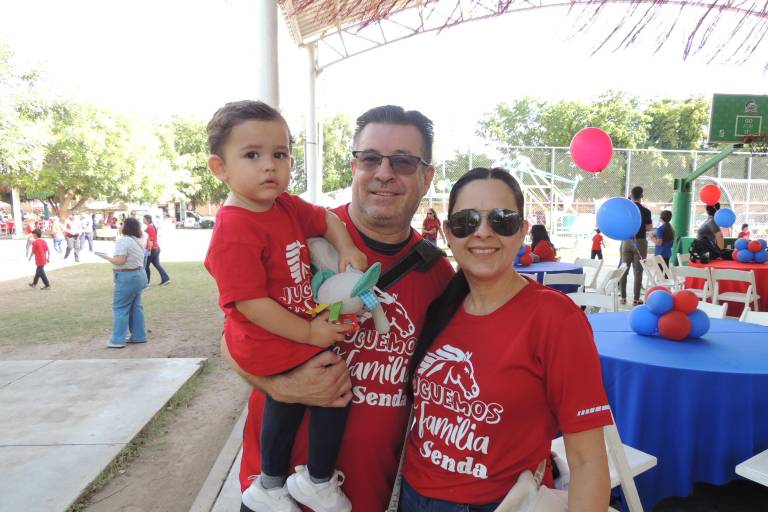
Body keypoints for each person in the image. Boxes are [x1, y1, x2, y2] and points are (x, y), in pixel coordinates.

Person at [221, 104, 455, 511]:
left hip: (361, 496)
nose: (384, 173)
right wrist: (279, 386)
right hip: (273, 495)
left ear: (426, 175)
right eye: (370, 159)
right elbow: (231, 338)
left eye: (402, 161)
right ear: (354, 166)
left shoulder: (438, 276)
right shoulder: (294, 235)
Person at [401, 168, 611, 511]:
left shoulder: (555, 319)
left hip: (501, 503)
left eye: (502, 220)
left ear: (522, 232)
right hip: (412, 496)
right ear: (448, 233)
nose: (483, 232)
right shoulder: (439, 305)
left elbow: (587, 461)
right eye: (467, 221)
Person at [204, 100, 369, 512]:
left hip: (292, 329)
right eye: (252, 155)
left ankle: (297, 480)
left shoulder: (285, 206)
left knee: (327, 392)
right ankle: (289, 482)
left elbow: (326, 220)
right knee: (320, 392)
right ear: (219, 168)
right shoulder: (234, 227)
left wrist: (346, 247)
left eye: (279, 154)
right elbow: (252, 304)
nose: (269, 166)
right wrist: (311, 334)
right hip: (268, 336)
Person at [96, 217, 148, 348]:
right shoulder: (139, 239)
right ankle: (139, 335)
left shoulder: (123, 241)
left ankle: (118, 339)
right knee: (136, 307)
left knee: (121, 308)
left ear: (126, 227)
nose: (120, 226)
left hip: (127, 277)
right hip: (140, 274)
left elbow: (120, 261)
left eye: (122, 224)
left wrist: (106, 257)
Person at [619, 186, 653, 306]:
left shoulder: (626, 210)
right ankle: (635, 299)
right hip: (640, 242)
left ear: (631, 195)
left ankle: (622, 297)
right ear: (642, 196)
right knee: (638, 271)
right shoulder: (646, 211)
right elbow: (649, 228)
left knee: (624, 269)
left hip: (626, 241)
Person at [143, 215, 171, 286]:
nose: (143, 220)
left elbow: (151, 239)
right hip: (155, 248)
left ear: (147, 219)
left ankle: (146, 283)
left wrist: (149, 250)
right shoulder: (152, 226)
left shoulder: (150, 227)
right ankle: (166, 279)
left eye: (144, 219)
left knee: (146, 266)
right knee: (157, 264)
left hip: (152, 249)